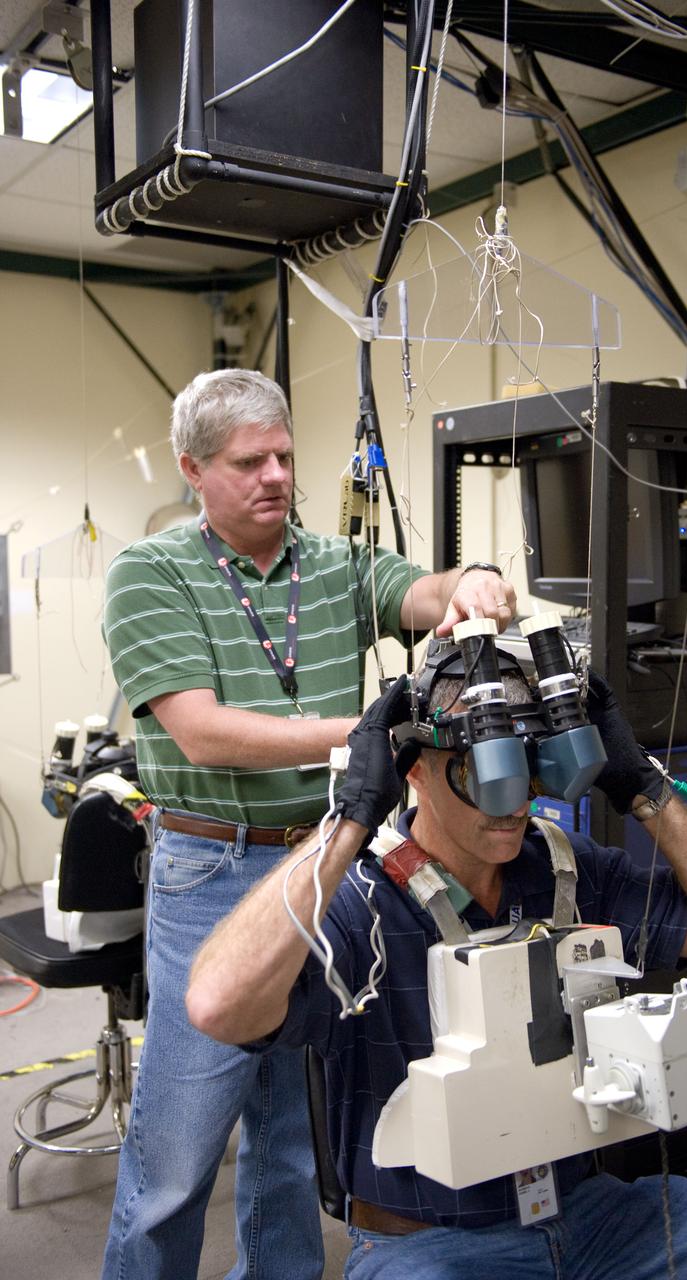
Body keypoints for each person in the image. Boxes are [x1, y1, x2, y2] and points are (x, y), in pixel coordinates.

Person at [186, 656, 687, 1280]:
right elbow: (218, 1006)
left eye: (528, 767)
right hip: (431, 1243)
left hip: (593, 1217)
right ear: (414, 769)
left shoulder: (565, 866)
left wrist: (642, 786)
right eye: (482, 771)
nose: (512, 801)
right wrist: (349, 820)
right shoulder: (359, 903)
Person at [101, 368, 517, 1280]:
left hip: (324, 872)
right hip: (211, 869)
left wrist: (470, 582)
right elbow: (203, 733)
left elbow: (418, 591)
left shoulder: (333, 564)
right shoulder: (149, 573)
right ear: (194, 470)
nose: (275, 477)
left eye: (285, 455)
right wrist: (368, 733)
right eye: (249, 461)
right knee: (178, 1153)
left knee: (290, 1139)